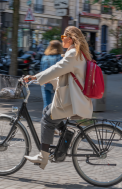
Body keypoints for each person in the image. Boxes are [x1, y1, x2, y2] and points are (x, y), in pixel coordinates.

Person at [23, 26, 93, 169]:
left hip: (71, 100)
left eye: (63, 37)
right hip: (72, 97)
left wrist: (35, 77)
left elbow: (57, 69)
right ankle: (65, 136)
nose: (62, 39)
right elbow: (68, 76)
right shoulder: (78, 53)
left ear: (71, 38)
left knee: (47, 120)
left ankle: (43, 156)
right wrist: (50, 80)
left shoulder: (73, 53)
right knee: (47, 110)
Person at [40, 40, 63, 109]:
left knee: (46, 105)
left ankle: (45, 119)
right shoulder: (61, 57)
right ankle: (57, 119)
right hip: (57, 83)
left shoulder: (44, 58)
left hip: (46, 82)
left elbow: (41, 71)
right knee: (59, 105)